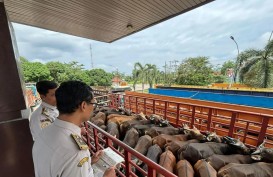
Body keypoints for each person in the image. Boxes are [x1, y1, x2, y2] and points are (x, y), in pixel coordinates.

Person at [32, 80, 116, 177]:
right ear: (83, 105)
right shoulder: (75, 151)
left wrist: (89, 161)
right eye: (93, 104)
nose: (94, 108)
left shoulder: (45, 132)